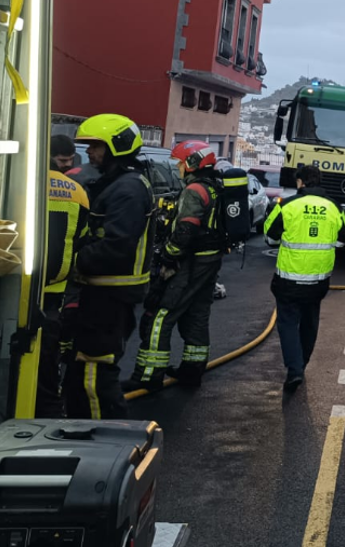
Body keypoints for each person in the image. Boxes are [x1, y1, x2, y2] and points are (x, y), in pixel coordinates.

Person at [62, 114, 154, 420]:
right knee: (84, 370)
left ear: (117, 147)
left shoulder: (127, 190)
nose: (89, 152)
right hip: (105, 293)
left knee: (94, 373)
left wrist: (72, 262)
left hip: (108, 296)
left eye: (96, 146)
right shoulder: (118, 183)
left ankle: (103, 441)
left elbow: (116, 246)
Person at [124, 141, 225, 392]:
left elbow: (185, 229)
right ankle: (192, 371)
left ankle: (148, 375)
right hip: (210, 261)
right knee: (197, 315)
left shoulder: (193, 191)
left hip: (191, 262)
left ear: (192, 163)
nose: (178, 167)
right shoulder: (215, 187)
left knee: (161, 315)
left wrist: (169, 257)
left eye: (181, 162)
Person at [263, 165, 345, 392]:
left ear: (300, 182)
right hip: (318, 281)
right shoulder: (334, 208)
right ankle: (303, 363)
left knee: (288, 323)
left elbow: (269, 234)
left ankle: (295, 369)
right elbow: (341, 240)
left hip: (288, 279)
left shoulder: (288, 205)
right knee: (310, 322)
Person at [35, 143, 90, 417]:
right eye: (63, 160)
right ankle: (49, 411)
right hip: (57, 287)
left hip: (19, 283)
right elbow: (82, 237)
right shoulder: (78, 191)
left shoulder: (26, 181)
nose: (68, 166)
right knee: (47, 355)